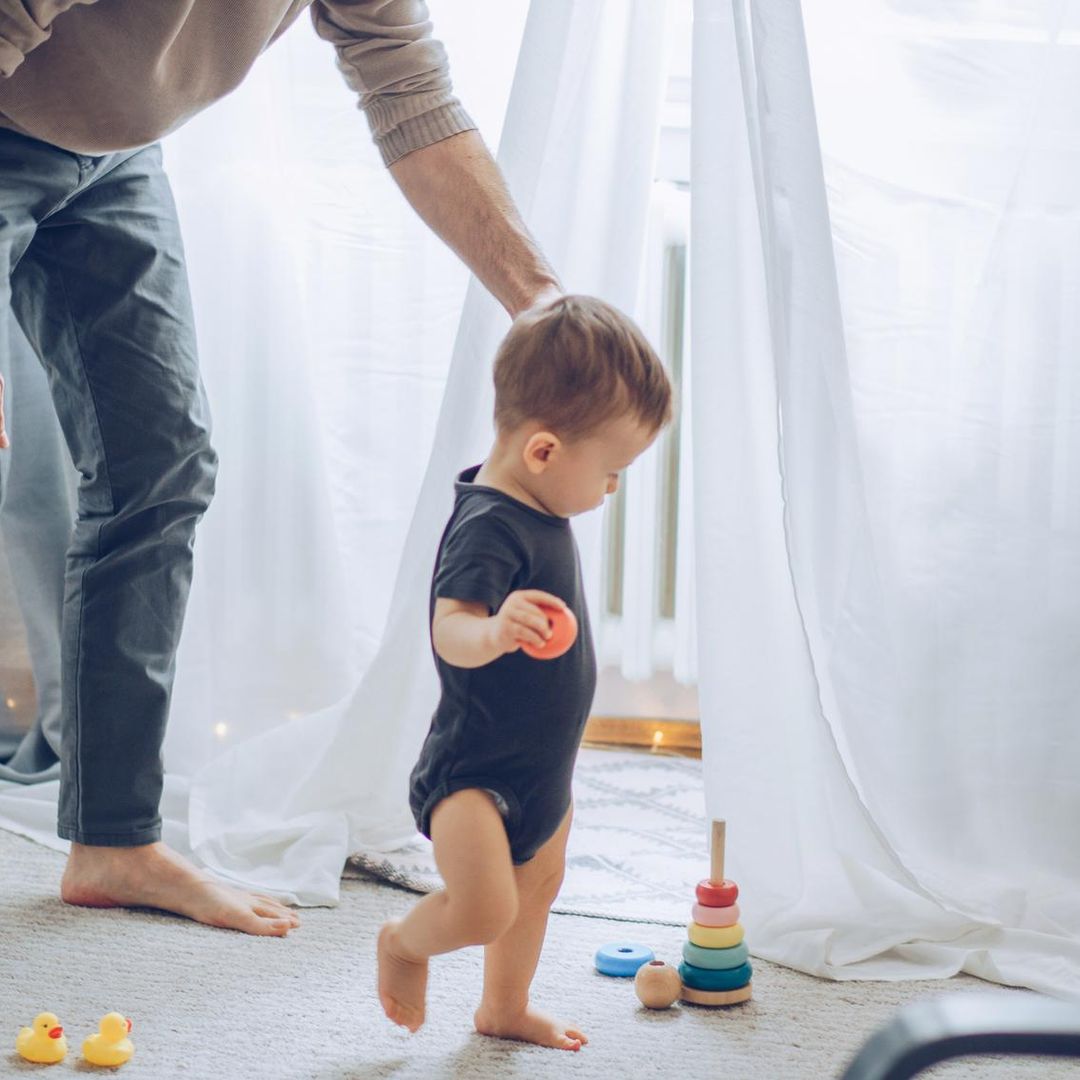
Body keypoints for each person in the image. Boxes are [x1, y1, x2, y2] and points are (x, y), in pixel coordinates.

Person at [0, 2, 561, 936]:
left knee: (161, 468)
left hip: (110, 157)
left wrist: (536, 296)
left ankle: (113, 841)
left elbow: (410, 91)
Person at [377, 295, 673, 1049]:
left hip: (542, 764)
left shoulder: (541, 505)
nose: (611, 489)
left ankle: (503, 1007)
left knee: (538, 888)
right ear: (543, 451)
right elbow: (449, 632)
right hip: (475, 770)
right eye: (611, 472)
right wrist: (494, 629)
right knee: (485, 909)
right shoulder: (487, 522)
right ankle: (405, 943)